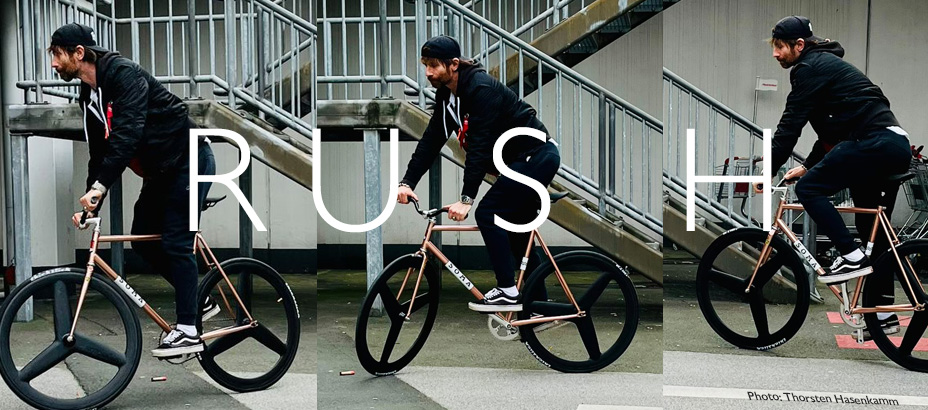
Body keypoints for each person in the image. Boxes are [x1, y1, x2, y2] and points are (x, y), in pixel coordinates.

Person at [48, 23, 219, 357]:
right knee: (143, 238)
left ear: (78, 53)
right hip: (160, 171)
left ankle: (189, 329)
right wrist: (90, 203)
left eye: (57, 55)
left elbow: (127, 135)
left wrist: (100, 187)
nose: (53, 64)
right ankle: (200, 300)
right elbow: (99, 153)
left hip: (188, 159)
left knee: (175, 240)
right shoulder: (90, 94)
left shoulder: (125, 75)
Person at [763, 16, 911, 337]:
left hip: (872, 142)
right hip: (893, 144)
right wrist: (808, 163)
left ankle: (850, 256)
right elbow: (832, 129)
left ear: (798, 46)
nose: (775, 54)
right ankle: (882, 316)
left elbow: (791, 125)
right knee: (874, 232)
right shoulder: (824, 66)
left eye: (779, 46)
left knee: (810, 189)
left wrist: (766, 171)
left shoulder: (809, 69)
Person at [396, 36, 561, 312]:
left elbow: (480, 147)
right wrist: (407, 182)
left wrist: (467, 198)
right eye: (425, 65)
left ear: (454, 65)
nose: (428, 72)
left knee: (488, 214)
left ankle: (508, 291)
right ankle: (539, 307)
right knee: (516, 232)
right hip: (519, 162)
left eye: (434, 65)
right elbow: (431, 141)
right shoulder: (447, 96)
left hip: (536, 155)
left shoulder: (481, 89)